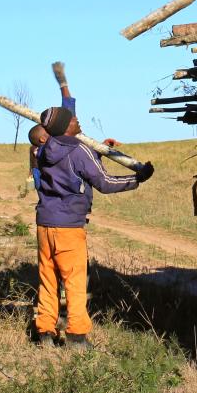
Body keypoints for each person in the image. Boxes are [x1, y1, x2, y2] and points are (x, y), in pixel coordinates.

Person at [32, 100, 154, 349]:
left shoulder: (44, 150)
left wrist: (98, 151)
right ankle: (76, 336)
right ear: (66, 126)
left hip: (45, 224)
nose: (78, 121)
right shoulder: (79, 149)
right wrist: (137, 178)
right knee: (75, 281)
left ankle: (45, 332)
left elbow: (71, 167)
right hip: (69, 226)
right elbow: (105, 182)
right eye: (73, 119)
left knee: (48, 280)